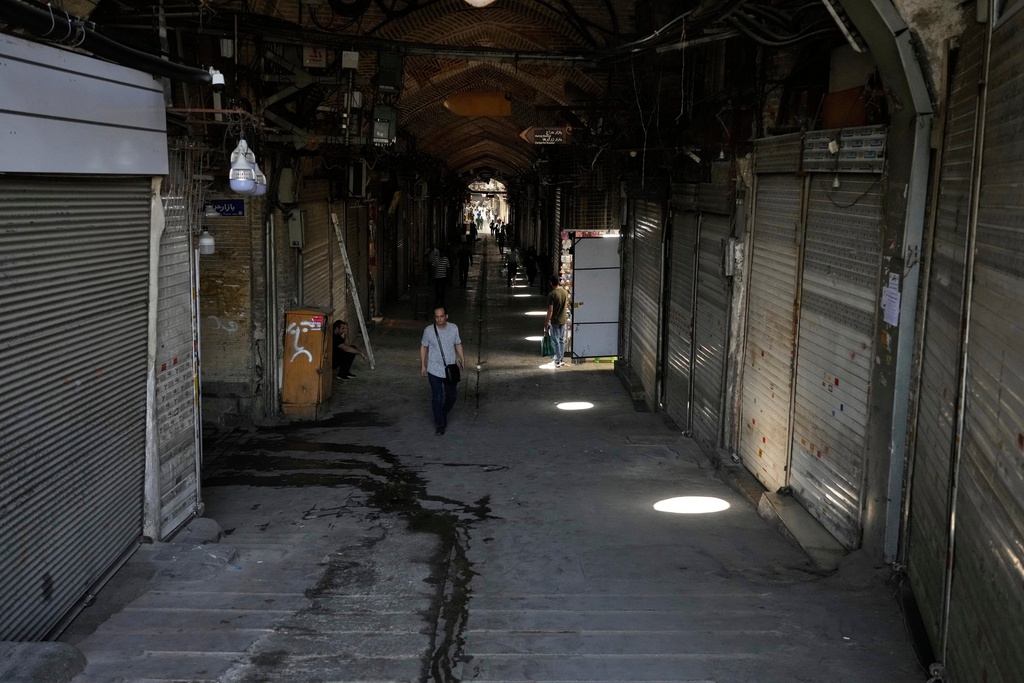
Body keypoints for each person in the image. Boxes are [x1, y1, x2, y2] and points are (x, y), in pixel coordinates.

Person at [420, 306, 465, 435]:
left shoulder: (453, 328)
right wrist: (423, 365)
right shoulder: (428, 331)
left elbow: (458, 343)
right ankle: (440, 424)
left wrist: (462, 358)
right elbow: (424, 347)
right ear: (434, 317)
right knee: (437, 397)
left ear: (446, 316)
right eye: (436, 317)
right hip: (434, 370)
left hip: (450, 370)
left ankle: (443, 412)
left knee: (452, 396)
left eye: (441, 316)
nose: (439, 319)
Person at [544, 275, 570, 367]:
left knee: (555, 341)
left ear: (551, 283)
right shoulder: (565, 292)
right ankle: (562, 358)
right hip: (563, 319)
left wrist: (547, 322)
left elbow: (550, 310)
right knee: (561, 340)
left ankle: (557, 360)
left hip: (555, 320)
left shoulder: (552, 295)